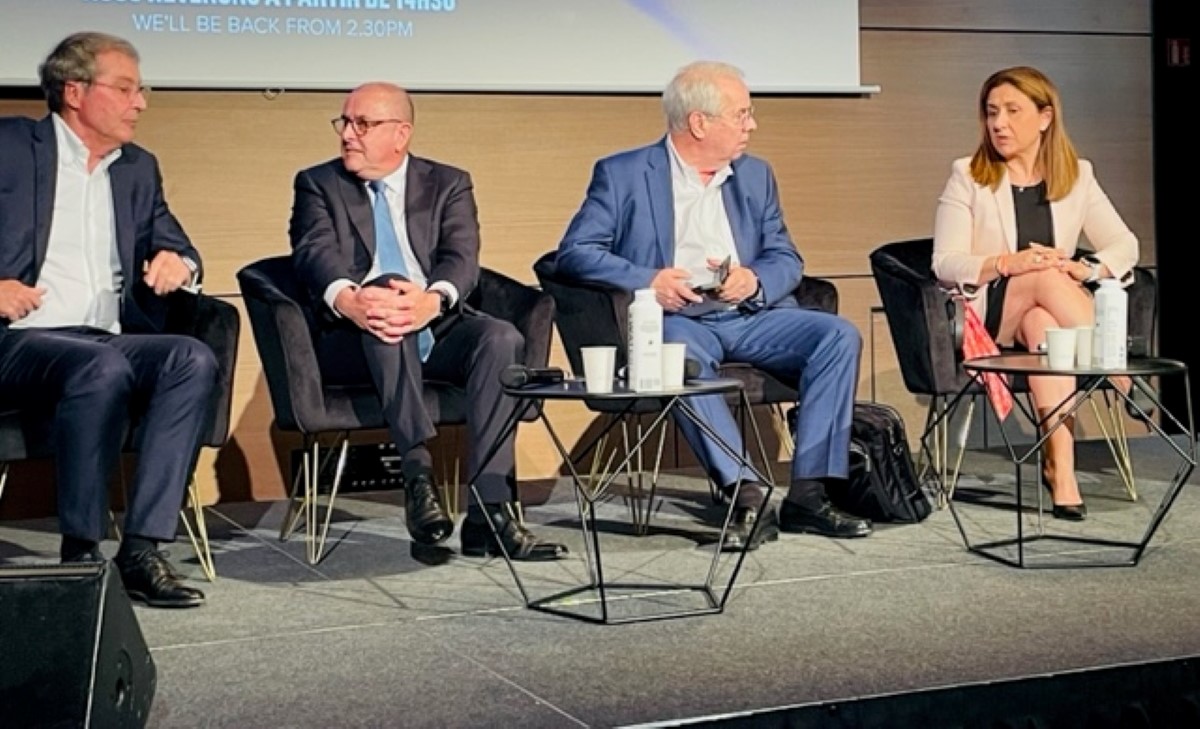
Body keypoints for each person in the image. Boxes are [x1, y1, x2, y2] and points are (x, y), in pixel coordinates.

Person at [554, 60, 872, 551]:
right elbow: (575, 252)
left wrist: (755, 279)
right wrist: (648, 280)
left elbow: (786, 255)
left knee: (838, 335)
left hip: (751, 315)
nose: (753, 125)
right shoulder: (624, 173)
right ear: (699, 122)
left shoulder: (755, 175)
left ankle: (809, 493)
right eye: (741, 114)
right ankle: (745, 494)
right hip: (679, 319)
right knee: (679, 360)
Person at [288, 82, 567, 561]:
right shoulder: (318, 183)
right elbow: (313, 252)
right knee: (386, 295)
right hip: (353, 337)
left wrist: (433, 301)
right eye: (344, 122)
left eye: (363, 124)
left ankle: (490, 513)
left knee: (500, 337)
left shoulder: (448, 182)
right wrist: (351, 299)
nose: (347, 135)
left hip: (434, 321)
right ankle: (418, 478)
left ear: (401, 134)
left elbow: (463, 256)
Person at [0, 32, 218, 607]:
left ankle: (142, 548)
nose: (140, 102)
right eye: (125, 88)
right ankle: (81, 552)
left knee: (190, 358)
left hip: (105, 339)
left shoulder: (137, 168)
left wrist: (180, 262)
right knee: (99, 366)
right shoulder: (10, 145)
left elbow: (179, 245)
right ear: (75, 91)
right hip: (18, 340)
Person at [932, 65, 1141, 521]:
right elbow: (944, 262)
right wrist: (1008, 263)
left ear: (1045, 117)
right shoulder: (968, 175)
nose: (998, 124)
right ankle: (1124, 375)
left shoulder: (1077, 176)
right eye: (991, 113)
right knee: (1043, 275)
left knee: (1046, 326)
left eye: (1011, 111)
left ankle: (1060, 472)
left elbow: (1125, 246)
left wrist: (1083, 267)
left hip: (1044, 315)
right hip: (984, 316)